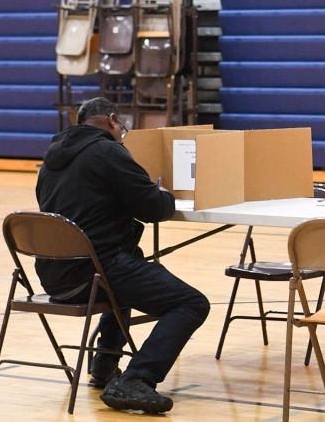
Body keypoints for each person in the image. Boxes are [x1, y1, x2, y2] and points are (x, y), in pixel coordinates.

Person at [35, 97, 210, 414]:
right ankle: (137, 378)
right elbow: (153, 209)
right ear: (113, 120)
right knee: (191, 303)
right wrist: (164, 193)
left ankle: (104, 367)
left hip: (55, 275)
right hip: (97, 271)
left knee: (132, 265)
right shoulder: (108, 151)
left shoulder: (50, 161)